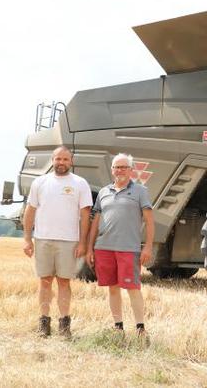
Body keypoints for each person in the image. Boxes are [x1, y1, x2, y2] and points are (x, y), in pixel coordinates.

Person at [22, 145, 92, 338]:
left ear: (71, 161)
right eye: (58, 159)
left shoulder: (80, 183)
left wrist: (83, 243)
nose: (61, 163)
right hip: (43, 239)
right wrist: (27, 239)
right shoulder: (40, 182)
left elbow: (85, 216)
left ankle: (64, 325)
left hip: (69, 241)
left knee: (63, 282)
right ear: (52, 160)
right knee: (44, 282)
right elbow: (30, 212)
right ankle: (44, 324)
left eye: (65, 159)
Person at [87, 153, 154, 338]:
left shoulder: (140, 191)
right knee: (112, 288)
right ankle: (118, 327)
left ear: (131, 170)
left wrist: (147, 247)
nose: (120, 170)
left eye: (124, 167)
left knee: (133, 288)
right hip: (104, 248)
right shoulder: (103, 192)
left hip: (129, 249)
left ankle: (140, 328)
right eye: (117, 167)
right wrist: (89, 248)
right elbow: (95, 222)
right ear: (112, 170)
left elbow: (149, 221)